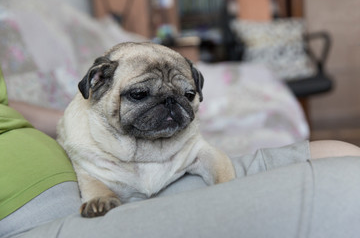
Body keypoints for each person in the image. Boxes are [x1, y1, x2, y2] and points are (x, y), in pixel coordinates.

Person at [1, 68, 360, 238]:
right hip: (36, 220)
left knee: (339, 152)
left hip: (153, 171)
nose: (171, 106)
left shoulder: (91, 107)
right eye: (142, 95)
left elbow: (17, 111)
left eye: (185, 96)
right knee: (351, 192)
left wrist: (80, 122)